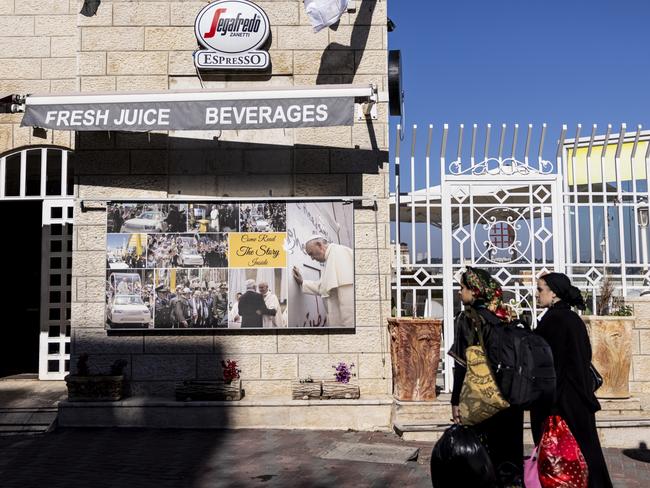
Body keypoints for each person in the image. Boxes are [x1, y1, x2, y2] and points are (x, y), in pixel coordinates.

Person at [532, 273, 613, 488]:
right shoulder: (572, 319)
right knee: (589, 454)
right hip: (579, 399)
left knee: (563, 459)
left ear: (554, 292)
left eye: (540, 289)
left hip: (562, 402)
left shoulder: (554, 321)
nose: (537, 294)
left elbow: (552, 367)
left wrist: (548, 405)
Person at [448, 267, 524, 487]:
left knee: (481, 458)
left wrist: (456, 401)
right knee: (507, 460)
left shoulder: (468, 318)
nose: (459, 293)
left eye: (462, 288)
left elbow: (462, 364)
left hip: (483, 398)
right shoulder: (504, 315)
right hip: (508, 397)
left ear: (474, 291)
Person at [291, 236, 354, 327]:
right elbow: (323, 287)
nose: (312, 258)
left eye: (311, 254)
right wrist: (302, 282)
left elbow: (349, 306)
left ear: (320, 245)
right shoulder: (331, 257)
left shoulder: (340, 254)